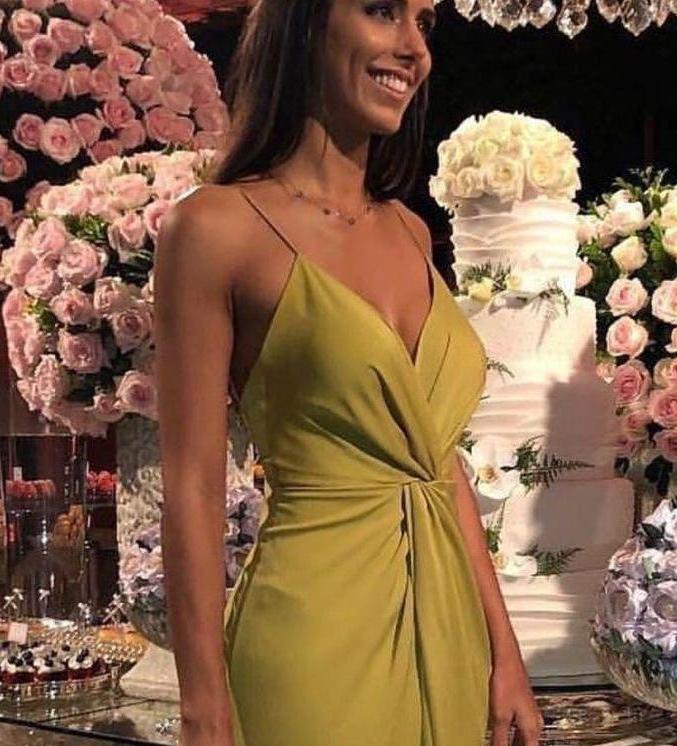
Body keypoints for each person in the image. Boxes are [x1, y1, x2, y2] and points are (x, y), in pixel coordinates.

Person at [153, 1, 543, 745]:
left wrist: (504, 654)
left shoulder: (411, 230)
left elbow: (439, 465)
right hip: (311, 644)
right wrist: (204, 708)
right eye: (382, 11)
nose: (413, 47)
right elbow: (193, 486)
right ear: (304, 23)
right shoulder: (212, 228)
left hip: (452, 634)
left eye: (424, 23)